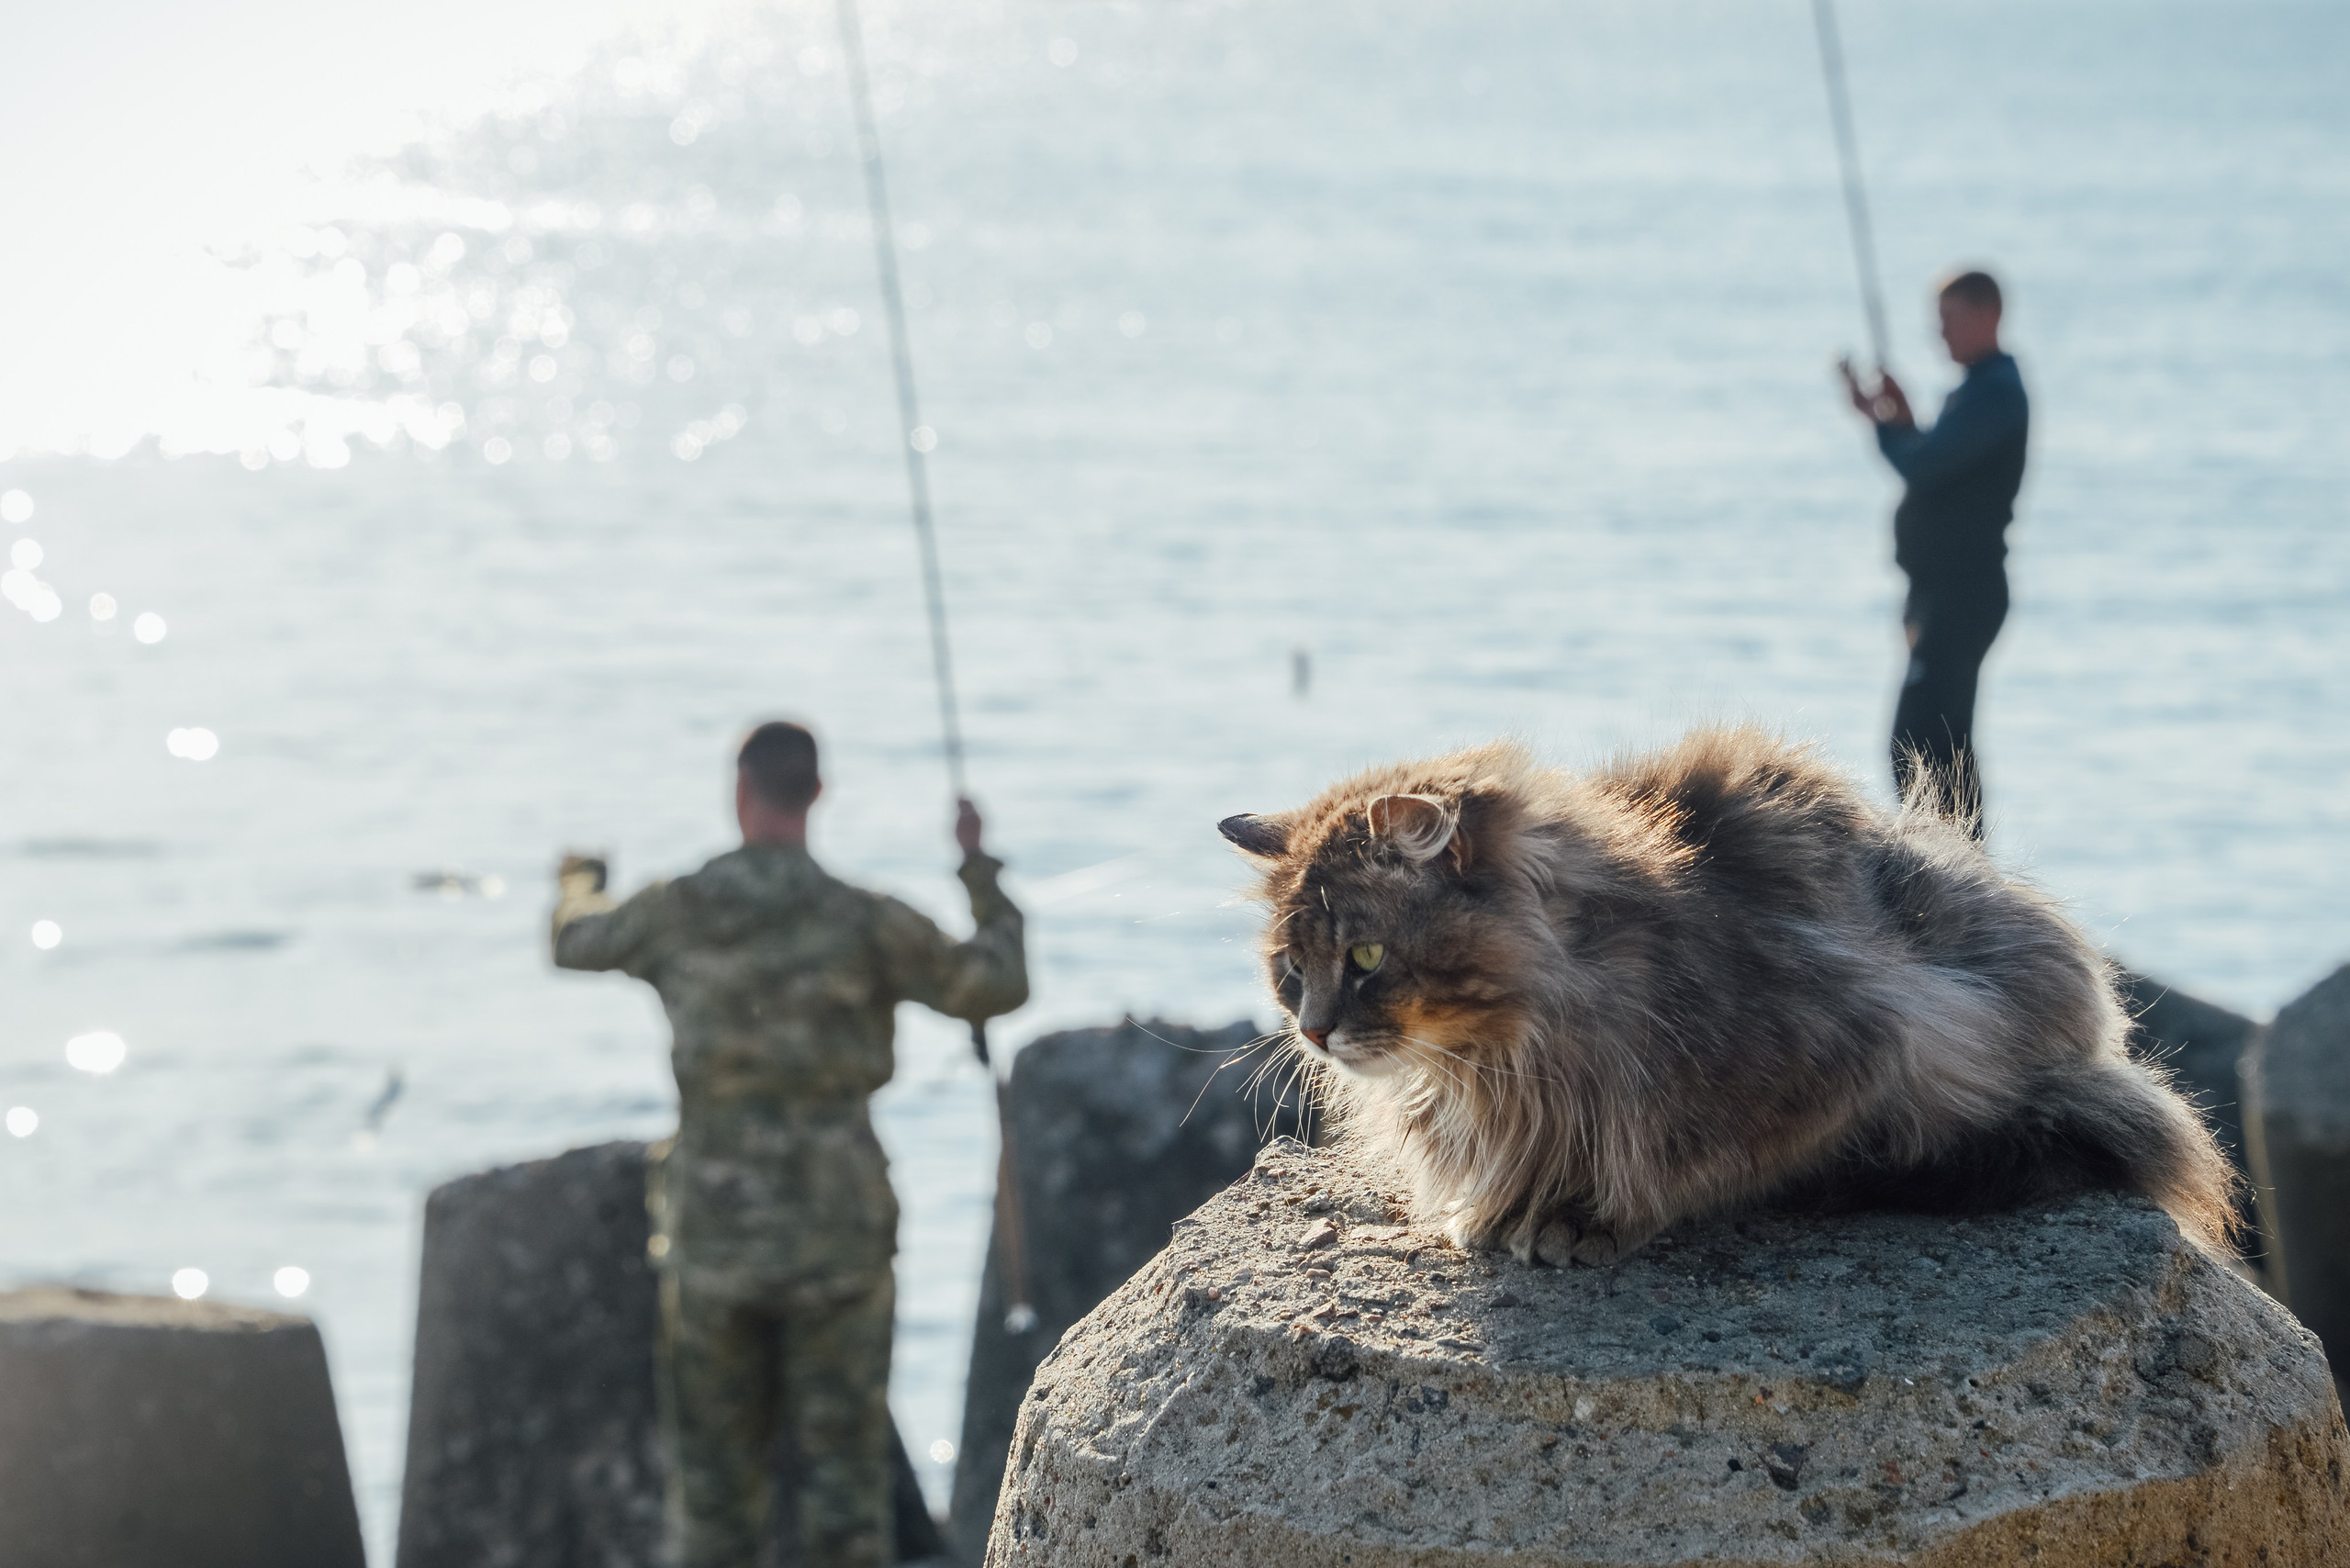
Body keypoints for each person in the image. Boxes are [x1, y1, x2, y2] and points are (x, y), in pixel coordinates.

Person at [550, 721, 1027, 1568]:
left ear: (739, 792)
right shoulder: (864, 920)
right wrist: (977, 867)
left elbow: (575, 939)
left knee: (713, 1510)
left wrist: (579, 876)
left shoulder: (678, 909)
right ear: (817, 796)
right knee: (844, 1503)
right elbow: (995, 982)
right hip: (839, 1238)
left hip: (714, 1242)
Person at [1840, 269, 2029, 834]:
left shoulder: (1996, 392)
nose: (1938, 332)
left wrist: (1882, 425)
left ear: (1986, 315)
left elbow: (1921, 466)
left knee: (1921, 743)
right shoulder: (1976, 390)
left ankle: (1954, 864)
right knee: (1939, 742)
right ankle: (1958, 862)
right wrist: (1899, 419)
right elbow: (1936, 462)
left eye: (1948, 318)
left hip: (1962, 595)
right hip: (1941, 594)